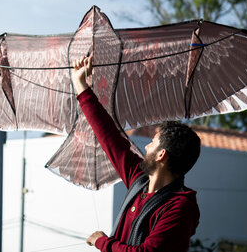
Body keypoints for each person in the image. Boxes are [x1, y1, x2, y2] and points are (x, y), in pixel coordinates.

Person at [72, 56, 201, 252]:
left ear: (161, 155)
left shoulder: (179, 208)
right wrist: (81, 85)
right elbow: (109, 136)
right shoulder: (139, 181)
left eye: (152, 143)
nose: (147, 147)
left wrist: (102, 242)